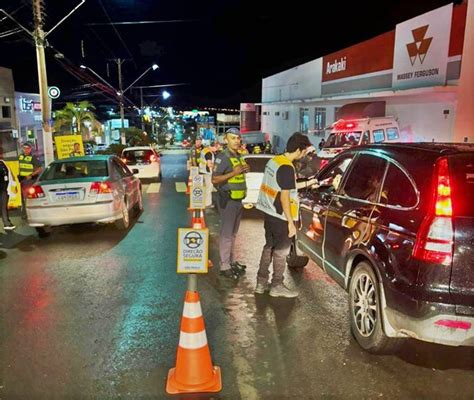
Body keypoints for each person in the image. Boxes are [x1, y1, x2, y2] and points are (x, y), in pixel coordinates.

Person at [255, 132, 317, 298]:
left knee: (269, 246)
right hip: (280, 215)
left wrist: (309, 182)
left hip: (268, 211)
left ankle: (261, 283)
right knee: (281, 251)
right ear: (298, 150)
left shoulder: (275, 161)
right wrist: (290, 222)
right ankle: (276, 285)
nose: (304, 155)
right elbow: (284, 196)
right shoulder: (287, 167)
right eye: (303, 152)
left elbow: (286, 185)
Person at [212, 128, 250, 279]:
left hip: (238, 200)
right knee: (226, 234)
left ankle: (231, 261)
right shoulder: (223, 157)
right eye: (233, 138)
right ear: (226, 140)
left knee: (233, 234)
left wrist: (245, 169)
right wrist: (234, 173)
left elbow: (239, 174)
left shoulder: (238, 156)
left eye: (238, 138)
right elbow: (214, 180)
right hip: (227, 200)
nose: (236, 141)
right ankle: (224, 265)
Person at [18, 142, 43, 217]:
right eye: (25, 148)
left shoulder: (33, 157)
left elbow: (40, 169)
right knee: (22, 197)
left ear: (30, 149)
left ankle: (29, 213)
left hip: (30, 180)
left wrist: (31, 175)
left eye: (28, 148)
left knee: (28, 197)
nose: (26, 150)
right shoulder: (20, 157)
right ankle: (25, 213)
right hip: (21, 179)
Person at [199, 141, 219, 208]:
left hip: (202, 171)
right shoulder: (209, 153)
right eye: (217, 148)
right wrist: (216, 166)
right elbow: (209, 164)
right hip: (207, 173)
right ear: (213, 147)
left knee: (204, 187)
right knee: (208, 188)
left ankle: (203, 202)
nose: (217, 150)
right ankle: (208, 204)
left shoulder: (204, 150)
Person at [0, 158, 16, 231]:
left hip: (4, 189)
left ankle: (7, 223)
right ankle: (7, 223)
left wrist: (14, 185)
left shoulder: (3, 162)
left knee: (4, 207)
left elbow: (10, 174)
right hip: (2, 188)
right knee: (3, 207)